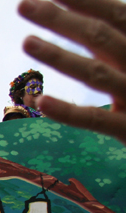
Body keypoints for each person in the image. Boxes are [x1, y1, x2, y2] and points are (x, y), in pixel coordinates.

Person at [18, 0, 126, 146]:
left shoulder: (49, 117)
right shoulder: (16, 112)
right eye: (32, 88)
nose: (38, 92)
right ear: (20, 94)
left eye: (40, 88)